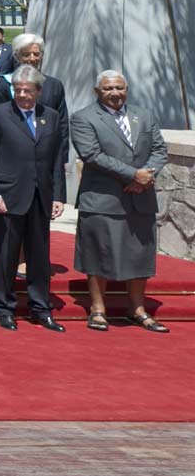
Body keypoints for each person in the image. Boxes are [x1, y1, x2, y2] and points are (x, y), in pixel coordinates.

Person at [70, 70, 170, 334]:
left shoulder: (144, 115)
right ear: (97, 91)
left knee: (140, 255)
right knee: (98, 253)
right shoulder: (83, 117)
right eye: (108, 89)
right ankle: (98, 309)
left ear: (127, 88)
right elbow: (92, 154)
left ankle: (137, 309)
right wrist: (133, 174)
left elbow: (159, 149)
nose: (115, 93)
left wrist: (145, 177)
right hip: (102, 199)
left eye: (119, 87)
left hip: (140, 197)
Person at [0, 66, 69, 332]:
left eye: (28, 90)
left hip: (41, 197)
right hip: (7, 197)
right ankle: (5, 309)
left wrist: (58, 195)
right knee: (6, 255)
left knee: (39, 257)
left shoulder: (50, 116)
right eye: (18, 90)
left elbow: (56, 159)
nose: (23, 95)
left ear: (38, 91)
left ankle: (41, 308)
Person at [0, 33, 67, 116]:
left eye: (36, 54)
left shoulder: (54, 85)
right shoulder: (4, 84)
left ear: (42, 55)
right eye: (26, 55)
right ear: (16, 56)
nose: (32, 58)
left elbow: (61, 119)